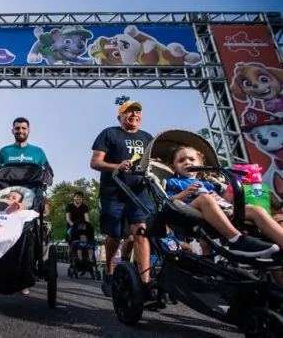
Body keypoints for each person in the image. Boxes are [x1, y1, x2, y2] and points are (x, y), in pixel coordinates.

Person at [166, 145, 281, 257]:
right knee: (205, 198)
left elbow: (223, 200)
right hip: (190, 209)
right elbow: (170, 200)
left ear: (200, 164)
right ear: (173, 167)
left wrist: (232, 189)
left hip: (218, 209)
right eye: (181, 161)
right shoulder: (174, 182)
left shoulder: (209, 184)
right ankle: (235, 239)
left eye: (192, 159)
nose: (187, 162)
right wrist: (184, 194)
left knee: (255, 210)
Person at [90, 100, 155, 297]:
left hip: (139, 193)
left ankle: (145, 284)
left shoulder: (147, 138)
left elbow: (154, 163)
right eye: (128, 112)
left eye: (137, 112)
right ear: (120, 117)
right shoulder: (109, 133)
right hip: (113, 193)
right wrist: (117, 166)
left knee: (141, 232)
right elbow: (95, 162)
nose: (134, 115)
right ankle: (109, 269)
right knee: (114, 235)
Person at [0, 117, 50, 295]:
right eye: (17, 128)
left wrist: (44, 201)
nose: (20, 131)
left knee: (26, 234)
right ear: (12, 131)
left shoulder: (38, 152)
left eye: (23, 128)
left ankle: (23, 278)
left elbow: (48, 175)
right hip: (7, 199)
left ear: (29, 130)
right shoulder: (5, 151)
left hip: (30, 199)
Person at [65, 191, 90, 265]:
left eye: (80, 197)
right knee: (71, 245)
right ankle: (70, 260)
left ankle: (84, 260)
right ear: (74, 197)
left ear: (82, 198)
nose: (78, 198)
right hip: (72, 227)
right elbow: (68, 217)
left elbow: (87, 218)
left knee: (84, 243)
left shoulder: (85, 207)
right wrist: (71, 224)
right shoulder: (69, 206)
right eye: (77, 197)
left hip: (82, 228)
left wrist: (88, 225)